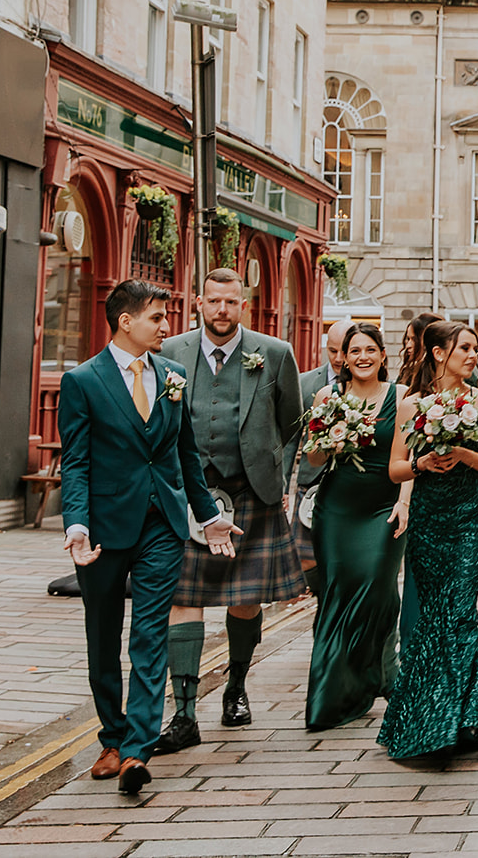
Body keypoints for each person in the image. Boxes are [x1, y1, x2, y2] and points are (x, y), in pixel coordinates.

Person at [58, 279, 238, 795]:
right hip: (103, 530)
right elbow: (76, 463)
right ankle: (112, 737)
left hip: (162, 525)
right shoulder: (83, 382)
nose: (167, 326)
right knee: (102, 637)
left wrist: (206, 517)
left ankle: (137, 749)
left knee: (150, 636)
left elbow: (185, 455)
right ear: (125, 322)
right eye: (157, 317)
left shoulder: (174, 375)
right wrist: (76, 524)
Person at [155, 268, 305, 755]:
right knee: (183, 598)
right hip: (186, 494)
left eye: (231, 302)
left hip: (250, 492)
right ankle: (182, 712)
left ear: (245, 304)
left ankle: (236, 687)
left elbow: (290, 425)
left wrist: (276, 479)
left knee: (246, 598)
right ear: (198, 303)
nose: (222, 310)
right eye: (214, 301)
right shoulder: (170, 351)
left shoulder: (275, 354)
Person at [379, 321, 478, 758]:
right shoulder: (411, 404)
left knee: (459, 614)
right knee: (434, 617)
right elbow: (395, 469)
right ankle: (434, 715)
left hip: (471, 518)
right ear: (438, 353)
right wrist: (422, 464)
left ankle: (454, 721)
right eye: (466, 348)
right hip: (428, 519)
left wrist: (464, 455)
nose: (473, 355)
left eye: (476, 349)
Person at [304, 323, 406, 731]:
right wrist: (333, 438)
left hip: (384, 505)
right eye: (354, 351)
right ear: (342, 358)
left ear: (383, 355)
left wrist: (404, 503)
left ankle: (378, 673)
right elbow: (312, 460)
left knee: (377, 590)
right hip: (337, 508)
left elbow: (408, 456)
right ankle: (335, 692)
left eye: (370, 349)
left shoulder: (402, 398)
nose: (362, 357)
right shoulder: (328, 397)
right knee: (337, 594)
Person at [285, 319, 351, 592]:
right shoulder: (304, 382)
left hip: (351, 483)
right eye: (332, 350)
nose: (337, 359)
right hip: (310, 483)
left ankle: (334, 599)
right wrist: (282, 487)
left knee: (345, 554)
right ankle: (325, 592)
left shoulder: (370, 383)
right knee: (303, 555)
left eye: (343, 351)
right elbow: (289, 439)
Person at [394, 311, 443, 649]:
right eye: (407, 340)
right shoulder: (404, 386)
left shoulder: (460, 389)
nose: (408, 346)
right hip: (403, 479)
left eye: (414, 339)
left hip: (431, 490)